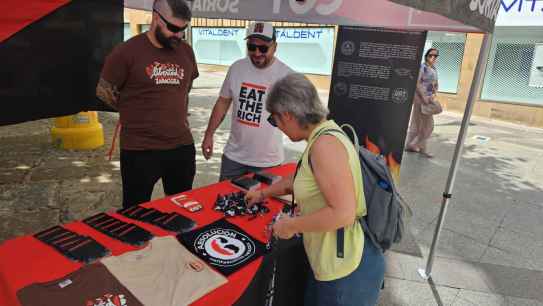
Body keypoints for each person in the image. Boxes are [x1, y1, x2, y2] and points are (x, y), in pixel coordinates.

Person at [245, 74, 385, 306]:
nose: (277, 127)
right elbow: (300, 179)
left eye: (274, 120)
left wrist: (290, 225)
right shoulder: (322, 134)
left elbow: (343, 213)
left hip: (345, 268)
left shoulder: (324, 145)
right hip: (333, 262)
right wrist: (262, 193)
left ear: (287, 116)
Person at [96, 0, 198, 208]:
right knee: (135, 212)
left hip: (181, 147)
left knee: (182, 209)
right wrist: (134, 109)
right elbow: (104, 92)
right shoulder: (126, 52)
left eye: (183, 29)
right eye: (173, 28)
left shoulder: (186, 52)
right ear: (155, 18)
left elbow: (185, 89)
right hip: (140, 150)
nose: (178, 35)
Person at [201, 21, 294, 181]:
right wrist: (209, 134)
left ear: (275, 47)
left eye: (263, 48)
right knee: (223, 201)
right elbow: (223, 102)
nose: (257, 53)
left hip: (267, 161)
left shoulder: (286, 76)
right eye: (252, 47)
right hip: (234, 157)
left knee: (263, 205)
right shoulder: (236, 68)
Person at [405, 48, 440, 158]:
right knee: (429, 126)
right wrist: (424, 96)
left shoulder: (433, 68)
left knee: (418, 124)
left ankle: (411, 146)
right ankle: (415, 145)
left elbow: (435, 83)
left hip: (428, 98)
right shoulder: (422, 67)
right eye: (431, 55)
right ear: (426, 55)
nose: (433, 57)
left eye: (435, 56)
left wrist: (435, 91)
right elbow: (417, 82)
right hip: (421, 99)